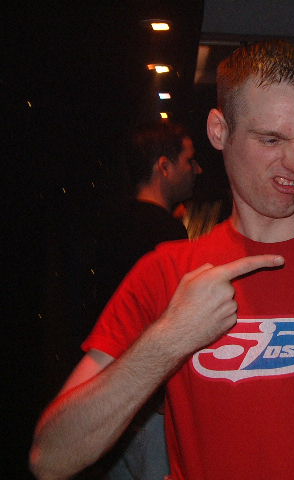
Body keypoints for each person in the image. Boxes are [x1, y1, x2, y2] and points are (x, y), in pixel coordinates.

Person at [30, 40, 294, 480]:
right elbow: (51, 457)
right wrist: (169, 340)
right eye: (271, 139)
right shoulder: (167, 272)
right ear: (219, 130)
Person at [88, 121, 202, 480]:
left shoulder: (108, 225)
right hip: (153, 409)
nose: (197, 169)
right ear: (163, 167)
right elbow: (179, 322)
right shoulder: (165, 236)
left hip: (112, 404)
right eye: (189, 160)